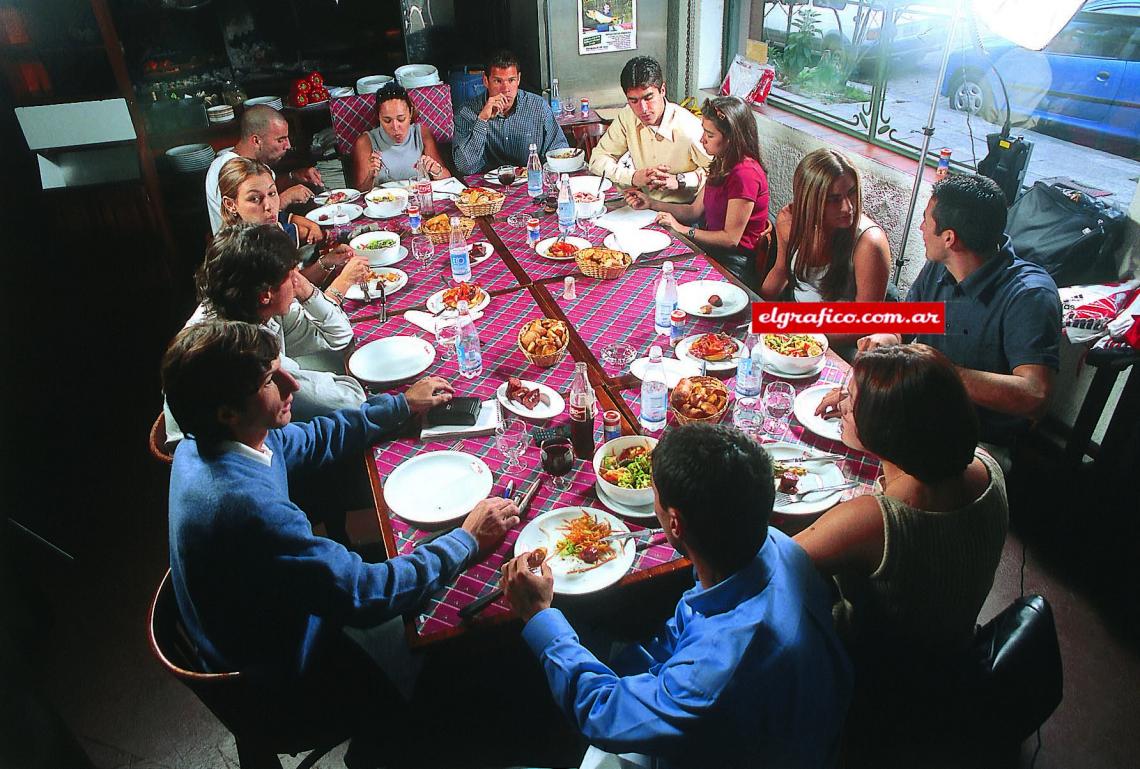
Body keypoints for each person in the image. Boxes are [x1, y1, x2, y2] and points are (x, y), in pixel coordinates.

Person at [162, 319, 519, 761]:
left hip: (251, 621)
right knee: (459, 636)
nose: (291, 381)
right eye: (270, 379)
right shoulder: (245, 506)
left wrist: (400, 406)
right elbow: (366, 594)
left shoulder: (207, 444)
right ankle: (393, 746)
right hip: (287, 675)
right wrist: (465, 540)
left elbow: (312, 438)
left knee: (404, 556)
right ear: (227, 411)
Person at [501, 423, 852, 769]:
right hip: (774, 724)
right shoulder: (774, 544)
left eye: (653, 493)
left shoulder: (716, 668)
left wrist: (540, 616)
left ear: (675, 523)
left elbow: (604, 716)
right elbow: (686, 628)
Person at [794, 344, 1009, 765]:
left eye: (850, 403)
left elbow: (774, 559)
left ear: (888, 431)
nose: (839, 404)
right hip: (952, 647)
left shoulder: (876, 521)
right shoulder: (987, 466)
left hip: (880, 679)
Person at [851, 174, 1061, 453]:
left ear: (950, 238)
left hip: (981, 441)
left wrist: (935, 372)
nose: (921, 227)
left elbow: (1035, 395)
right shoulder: (941, 265)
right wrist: (887, 337)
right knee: (845, 423)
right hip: (924, 414)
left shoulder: (1029, 295)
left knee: (868, 452)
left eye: (927, 220)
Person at [163, 224, 366, 447]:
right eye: (293, 274)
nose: (298, 280)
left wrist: (308, 292)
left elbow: (338, 337)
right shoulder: (240, 347)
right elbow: (349, 401)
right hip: (227, 459)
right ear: (266, 294)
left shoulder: (246, 302)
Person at [624, 95, 769, 287]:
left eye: (710, 135)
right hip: (711, 249)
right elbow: (694, 211)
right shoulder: (722, 162)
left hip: (733, 263)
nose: (702, 140)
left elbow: (731, 239)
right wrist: (651, 203)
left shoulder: (745, 174)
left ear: (731, 139)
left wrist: (682, 228)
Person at [216, 155, 365, 292]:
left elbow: (293, 283)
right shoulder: (240, 254)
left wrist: (326, 262)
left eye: (272, 193)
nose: (269, 206)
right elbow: (286, 303)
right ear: (230, 204)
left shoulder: (271, 231)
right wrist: (343, 284)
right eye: (254, 199)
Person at [762, 147, 890, 304]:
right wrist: (755, 313)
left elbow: (865, 322)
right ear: (810, 201)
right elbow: (780, 271)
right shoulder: (789, 221)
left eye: (851, 192)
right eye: (834, 199)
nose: (848, 207)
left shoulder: (870, 242)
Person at [588, 56, 711, 203]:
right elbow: (597, 159)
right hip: (642, 205)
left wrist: (680, 180)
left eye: (648, 98)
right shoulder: (628, 116)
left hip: (683, 213)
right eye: (634, 101)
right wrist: (632, 177)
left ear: (663, 90)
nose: (643, 109)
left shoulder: (689, 127)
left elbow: (719, 173)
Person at [205, 104, 323, 234]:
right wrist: (286, 198)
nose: (288, 145)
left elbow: (265, 188)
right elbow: (246, 225)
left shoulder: (258, 164)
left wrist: (294, 176)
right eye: (280, 140)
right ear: (256, 141)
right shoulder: (227, 169)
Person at [452, 49, 569, 177]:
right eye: (498, 81)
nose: (505, 89)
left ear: (518, 79)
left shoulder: (538, 107)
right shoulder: (466, 113)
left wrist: (545, 174)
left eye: (511, 80)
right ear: (486, 81)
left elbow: (559, 151)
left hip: (533, 183)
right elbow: (465, 168)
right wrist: (482, 120)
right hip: (487, 191)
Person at [351, 82, 451, 190]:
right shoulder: (366, 142)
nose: (395, 127)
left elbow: (447, 180)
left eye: (401, 119)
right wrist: (370, 175)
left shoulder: (421, 133)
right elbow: (360, 193)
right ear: (378, 117)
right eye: (387, 120)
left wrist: (436, 170)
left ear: (410, 113)